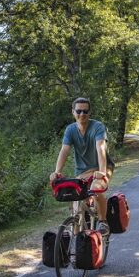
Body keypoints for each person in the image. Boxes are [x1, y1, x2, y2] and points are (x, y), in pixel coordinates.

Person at [50, 97, 114, 236]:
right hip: (83, 171)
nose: (82, 114)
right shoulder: (70, 130)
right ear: (73, 112)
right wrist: (57, 172)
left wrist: (102, 171)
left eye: (85, 111)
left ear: (89, 113)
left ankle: (103, 222)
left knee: (96, 189)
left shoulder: (98, 127)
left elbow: (100, 149)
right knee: (76, 203)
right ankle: (77, 237)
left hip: (102, 167)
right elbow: (64, 150)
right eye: (78, 111)